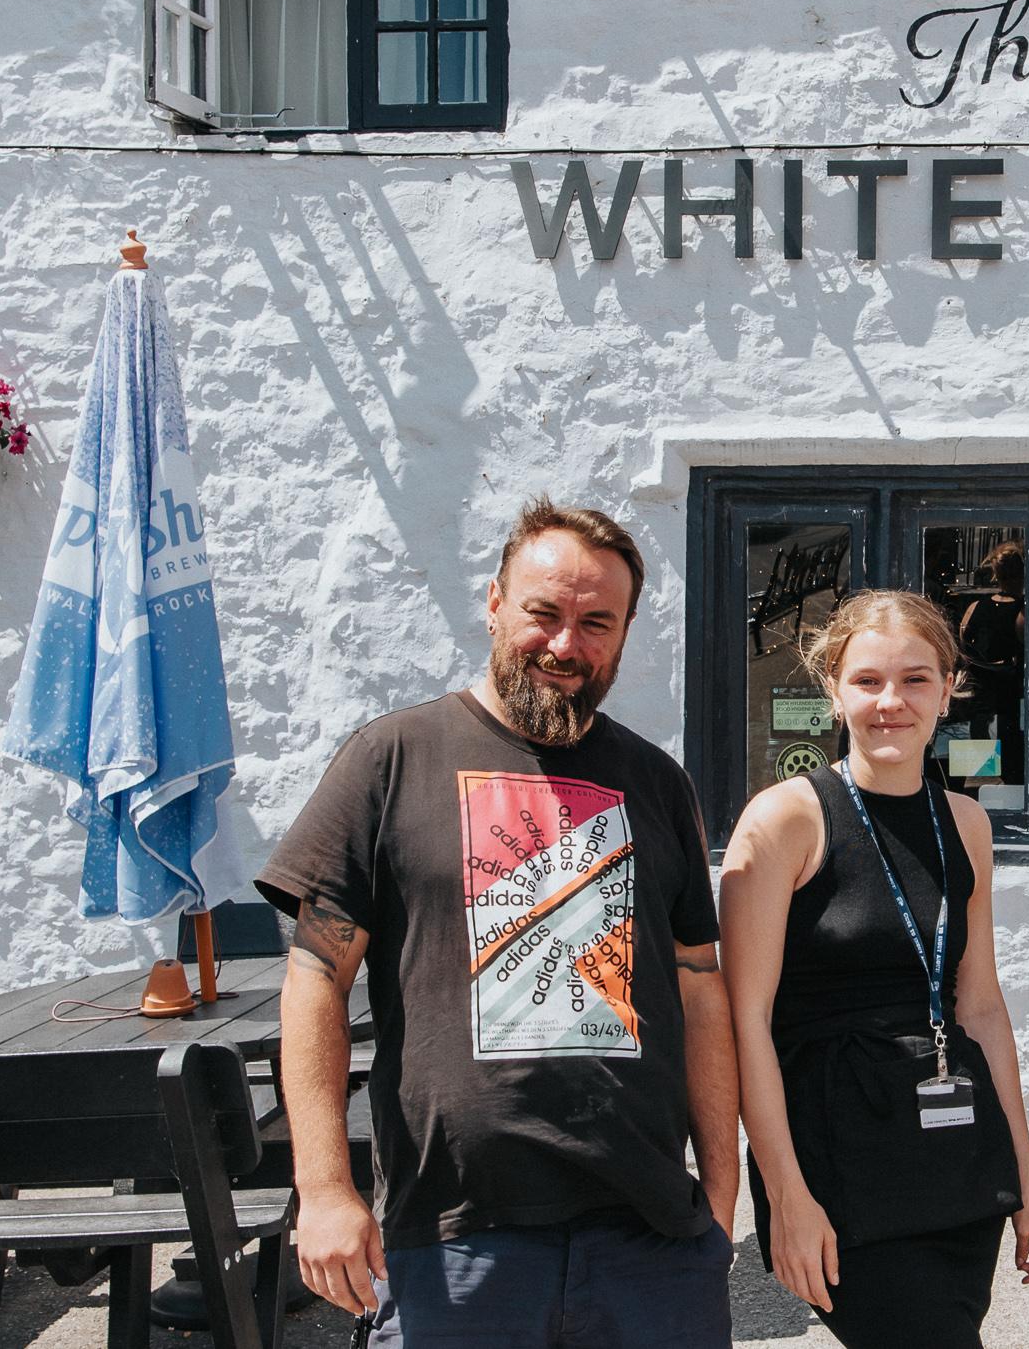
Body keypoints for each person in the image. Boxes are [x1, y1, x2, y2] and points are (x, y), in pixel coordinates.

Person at [259, 497, 739, 1348]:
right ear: (492, 602)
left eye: (597, 621)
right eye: (543, 613)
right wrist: (326, 1186)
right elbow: (314, 976)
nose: (566, 644)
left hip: (649, 1235)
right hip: (456, 1235)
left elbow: (701, 985)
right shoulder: (392, 756)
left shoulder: (658, 783)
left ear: (626, 633)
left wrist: (722, 1192)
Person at [719, 590, 1029, 1348]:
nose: (890, 701)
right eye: (868, 680)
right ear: (835, 690)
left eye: (914, 679)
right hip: (844, 1172)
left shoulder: (965, 824)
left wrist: (1025, 1183)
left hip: (956, 1166)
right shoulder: (786, 820)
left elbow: (979, 1009)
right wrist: (785, 1196)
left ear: (946, 688)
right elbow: (745, 1022)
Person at [954, 541, 1027, 785]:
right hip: (1009, 705)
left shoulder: (975, 607)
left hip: (978, 705)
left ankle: (974, 813)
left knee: (976, 777)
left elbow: (963, 647)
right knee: (1012, 774)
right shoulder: (1023, 614)